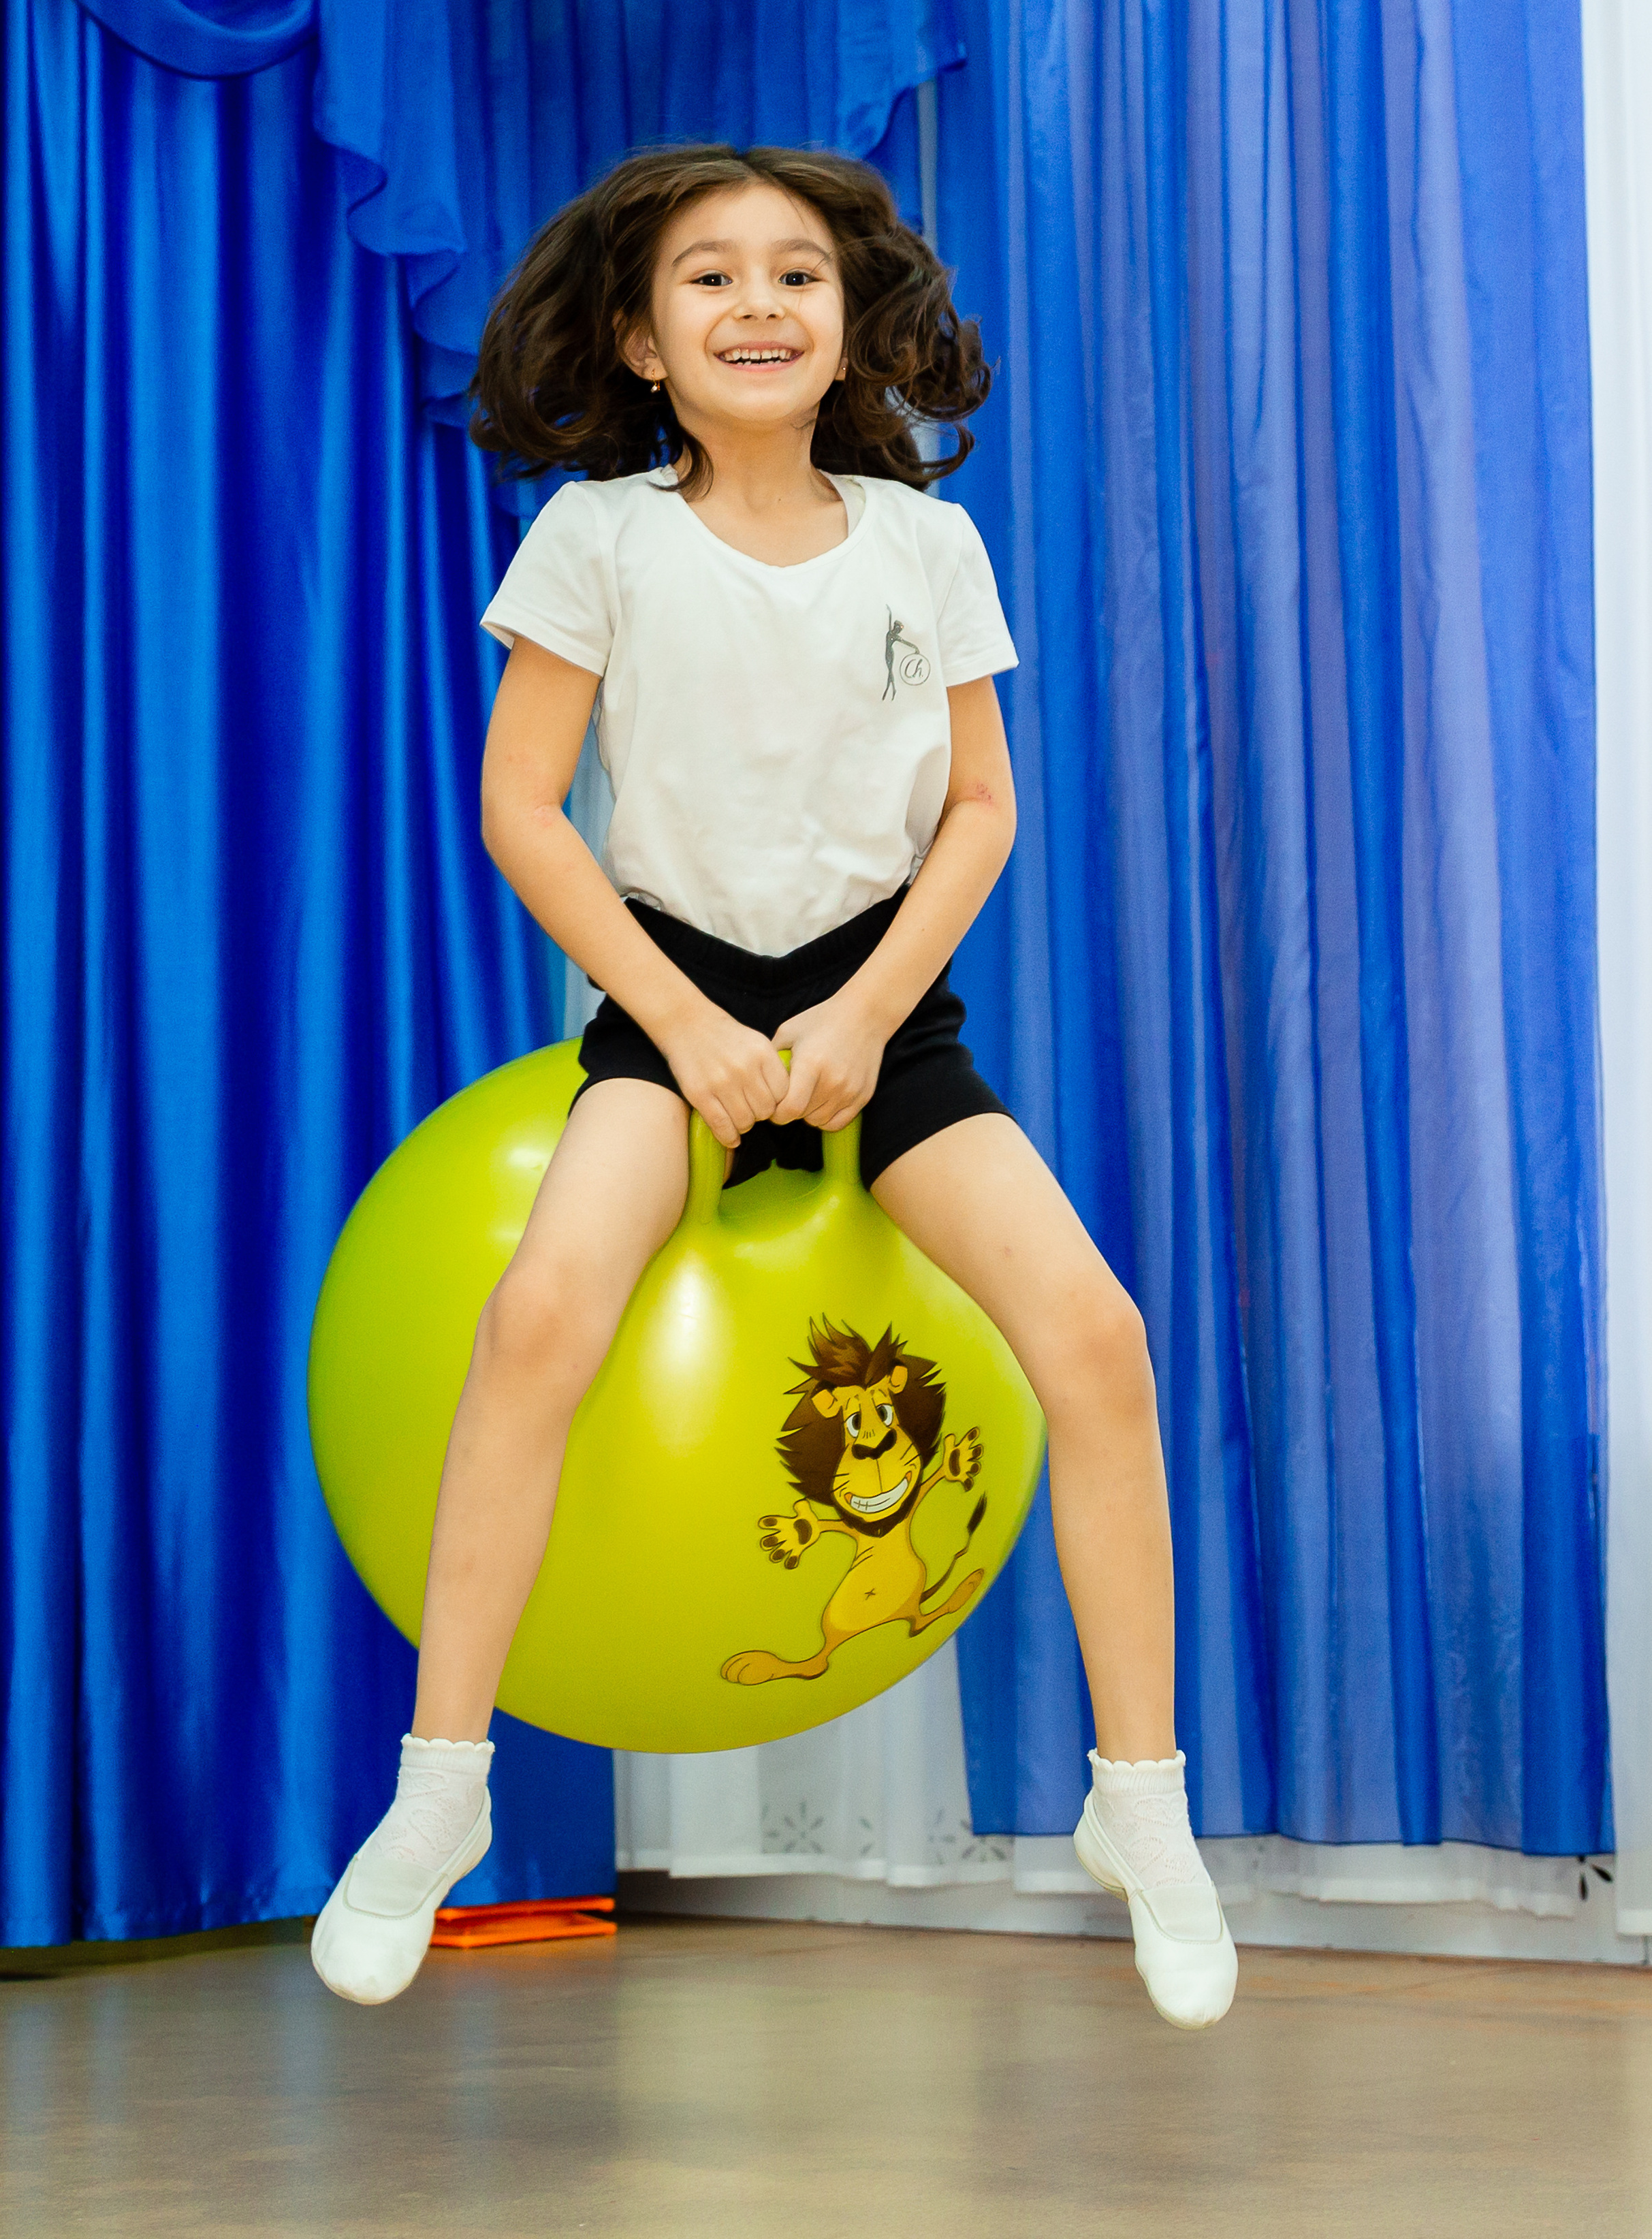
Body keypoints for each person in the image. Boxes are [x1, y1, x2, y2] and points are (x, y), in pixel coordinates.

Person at [310, 146, 1237, 2028]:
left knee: (1102, 1338)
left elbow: (977, 809)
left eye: (797, 276)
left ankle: (1142, 1809)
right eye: (710, 278)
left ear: (847, 327)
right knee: (540, 1311)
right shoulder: (600, 537)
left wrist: (872, 1014)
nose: (757, 303)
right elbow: (522, 810)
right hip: (677, 1000)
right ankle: (441, 1789)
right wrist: (698, 1030)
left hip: (880, 1004)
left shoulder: (926, 546)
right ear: (646, 341)